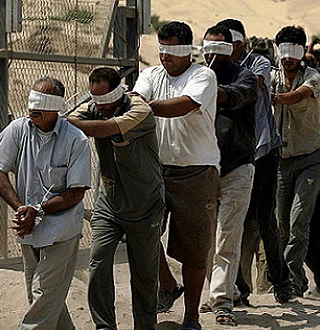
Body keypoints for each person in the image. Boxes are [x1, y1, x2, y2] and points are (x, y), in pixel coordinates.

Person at [0, 77, 91, 330]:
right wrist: (21, 209)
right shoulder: (18, 129)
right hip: (28, 228)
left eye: (40, 104)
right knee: (42, 297)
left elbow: (76, 193)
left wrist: (38, 210)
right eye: (31, 102)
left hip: (61, 231)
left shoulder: (76, 140)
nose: (32, 109)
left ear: (56, 107)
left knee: (43, 294)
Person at [132, 21, 221, 330]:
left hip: (195, 173)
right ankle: (168, 286)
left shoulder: (203, 76)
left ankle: (192, 317)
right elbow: (136, 98)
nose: (165, 56)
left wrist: (142, 108)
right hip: (156, 170)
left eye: (171, 50)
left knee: (195, 251)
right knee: (142, 235)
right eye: (162, 48)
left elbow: (183, 106)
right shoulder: (150, 75)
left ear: (186, 51)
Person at [67, 67, 164, 330]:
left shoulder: (140, 110)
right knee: (98, 265)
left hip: (145, 205)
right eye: (95, 100)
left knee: (144, 277)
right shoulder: (93, 108)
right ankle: (104, 326)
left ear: (118, 92)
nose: (101, 107)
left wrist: (69, 122)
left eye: (105, 100)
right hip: (109, 204)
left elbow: (105, 128)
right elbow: (71, 120)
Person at [216, 18, 292, 304]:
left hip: (263, 151)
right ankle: (239, 289)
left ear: (240, 45)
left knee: (264, 218)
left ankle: (280, 278)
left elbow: (253, 85)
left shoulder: (256, 63)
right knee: (230, 224)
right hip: (233, 154)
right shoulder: (213, 70)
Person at [203, 25, 257, 326]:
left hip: (237, 168)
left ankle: (222, 302)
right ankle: (223, 291)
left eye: (220, 48)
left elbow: (234, 96)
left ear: (233, 48)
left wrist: (206, 88)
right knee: (205, 239)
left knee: (227, 237)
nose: (212, 54)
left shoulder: (244, 76)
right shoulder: (197, 76)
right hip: (204, 170)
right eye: (208, 47)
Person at [271, 25, 320, 298]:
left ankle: (293, 281)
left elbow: (299, 95)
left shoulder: (312, 77)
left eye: (294, 50)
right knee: (282, 225)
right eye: (284, 50)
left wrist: (275, 98)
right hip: (281, 160)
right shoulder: (271, 76)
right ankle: (293, 280)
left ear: (302, 52)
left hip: (310, 158)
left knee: (299, 221)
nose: (288, 57)